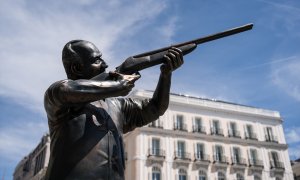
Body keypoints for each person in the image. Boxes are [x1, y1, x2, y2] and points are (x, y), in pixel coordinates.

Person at [44, 40, 184, 180]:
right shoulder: (58, 96)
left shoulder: (118, 105)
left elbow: (155, 108)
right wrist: (117, 87)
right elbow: (66, 90)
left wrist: (166, 75)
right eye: (97, 60)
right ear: (76, 68)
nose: (105, 65)